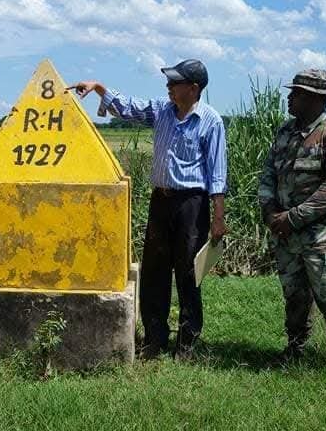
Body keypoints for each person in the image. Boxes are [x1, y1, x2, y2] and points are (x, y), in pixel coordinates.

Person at [67, 60, 227, 359]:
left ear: (193, 89)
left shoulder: (210, 121)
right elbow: (130, 107)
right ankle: (155, 338)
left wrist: (218, 217)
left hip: (192, 204)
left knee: (188, 272)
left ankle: (187, 342)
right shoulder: (162, 111)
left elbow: (217, 173)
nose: (168, 86)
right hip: (161, 201)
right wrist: (99, 88)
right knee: (154, 270)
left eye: (175, 82)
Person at [258, 69, 326, 392]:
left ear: (316, 99)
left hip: (324, 238)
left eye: (297, 93)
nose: (290, 97)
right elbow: (268, 174)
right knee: (295, 297)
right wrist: (270, 211)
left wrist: (293, 218)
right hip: (287, 238)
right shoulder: (286, 132)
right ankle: (296, 348)